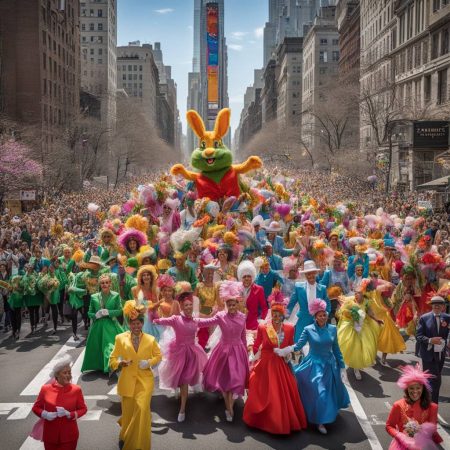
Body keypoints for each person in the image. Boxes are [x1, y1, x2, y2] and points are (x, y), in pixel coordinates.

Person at [278, 299, 349, 435]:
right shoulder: (308, 329)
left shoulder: (333, 329)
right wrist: (285, 350)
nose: (322, 317)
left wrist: (342, 367)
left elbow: (336, 349)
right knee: (320, 393)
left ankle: (323, 417)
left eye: (324, 315)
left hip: (330, 366)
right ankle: (319, 421)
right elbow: (298, 346)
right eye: (319, 315)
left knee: (328, 393)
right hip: (314, 366)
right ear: (315, 316)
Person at [244, 302, 307, 434]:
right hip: (265, 364)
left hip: (280, 364)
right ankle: (261, 420)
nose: (276, 317)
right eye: (274, 314)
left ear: (283, 316)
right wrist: (253, 354)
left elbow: (291, 346)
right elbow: (257, 346)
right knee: (261, 391)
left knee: (283, 392)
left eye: (279, 315)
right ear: (271, 315)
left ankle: (278, 421)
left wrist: (285, 353)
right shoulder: (263, 327)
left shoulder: (290, 329)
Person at [109, 300, 162, 450]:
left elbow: (159, 356)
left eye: (139, 323)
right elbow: (112, 358)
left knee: (142, 408)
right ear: (128, 324)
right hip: (127, 381)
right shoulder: (120, 338)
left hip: (145, 381)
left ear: (142, 323)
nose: (136, 326)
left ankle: (139, 445)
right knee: (128, 414)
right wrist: (119, 364)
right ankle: (125, 435)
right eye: (133, 323)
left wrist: (149, 362)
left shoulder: (151, 339)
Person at [196, 281, 249, 422]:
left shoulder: (243, 317)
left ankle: (229, 408)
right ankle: (229, 409)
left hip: (238, 352)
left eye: (234, 304)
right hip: (223, 352)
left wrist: (246, 353)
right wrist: (191, 319)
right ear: (226, 305)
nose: (231, 307)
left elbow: (243, 337)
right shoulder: (221, 316)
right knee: (225, 383)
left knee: (235, 381)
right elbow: (205, 322)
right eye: (229, 304)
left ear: (237, 304)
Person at [153, 285, 208, 422]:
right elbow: (159, 320)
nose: (189, 307)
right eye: (186, 306)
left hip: (192, 353)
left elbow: (210, 321)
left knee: (185, 381)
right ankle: (179, 397)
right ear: (182, 307)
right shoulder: (176, 319)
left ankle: (182, 409)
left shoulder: (196, 320)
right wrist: (153, 314)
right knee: (179, 378)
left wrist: (219, 316)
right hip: (178, 352)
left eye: (190, 305)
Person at [31, 354, 87, 450]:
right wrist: (45, 414)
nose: (68, 375)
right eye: (65, 373)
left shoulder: (76, 389)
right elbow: (36, 407)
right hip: (50, 436)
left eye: (69, 372)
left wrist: (70, 414)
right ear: (57, 374)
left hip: (69, 436)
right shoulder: (45, 389)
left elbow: (83, 409)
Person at [386, 364, 442, 449]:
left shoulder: (432, 407)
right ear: (407, 389)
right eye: (411, 388)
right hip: (402, 446)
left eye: (418, 388)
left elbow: (432, 430)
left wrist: (421, 430)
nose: (415, 391)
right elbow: (389, 426)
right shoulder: (398, 405)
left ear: (423, 389)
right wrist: (400, 436)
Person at [337, 280, 382, 380]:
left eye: (359, 293)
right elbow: (343, 310)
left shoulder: (366, 302)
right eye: (356, 292)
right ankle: (346, 365)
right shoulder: (350, 300)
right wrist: (350, 314)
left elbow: (370, 312)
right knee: (348, 347)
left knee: (359, 348)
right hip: (350, 326)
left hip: (363, 327)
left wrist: (376, 319)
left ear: (364, 293)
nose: (357, 295)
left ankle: (356, 368)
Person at [81, 273, 124, 373]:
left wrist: (109, 312)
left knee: (109, 346)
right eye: (102, 283)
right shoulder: (94, 297)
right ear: (100, 285)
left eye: (107, 282)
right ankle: (102, 366)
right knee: (98, 347)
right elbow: (89, 313)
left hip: (111, 325)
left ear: (110, 284)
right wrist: (96, 315)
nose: (104, 284)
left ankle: (111, 366)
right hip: (98, 326)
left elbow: (120, 310)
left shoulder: (116, 295)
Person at [415, 295, 450, 403]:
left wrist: (447, 341)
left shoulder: (447, 318)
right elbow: (419, 336)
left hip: (440, 354)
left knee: (433, 378)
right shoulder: (424, 318)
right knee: (435, 379)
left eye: (439, 305)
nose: (437, 306)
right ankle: (432, 403)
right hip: (428, 355)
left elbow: (448, 333)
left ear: (443, 306)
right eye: (435, 305)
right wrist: (430, 340)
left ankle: (426, 399)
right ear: (431, 306)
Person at [287, 260, 330, 342]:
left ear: (315, 273)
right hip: (303, 320)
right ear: (305, 275)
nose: (310, 276)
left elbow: (327, 304)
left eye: (312, 273)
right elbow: (291, 303)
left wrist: (324, 316)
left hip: (318, 323)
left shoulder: (322, 288)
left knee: (318, 345)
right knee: (299, 345)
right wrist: (284, 315)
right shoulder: (298, 287)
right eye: (308, 274)